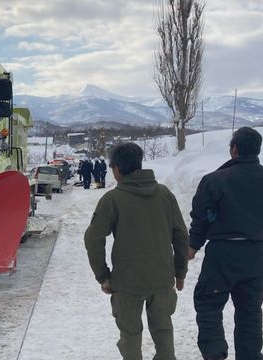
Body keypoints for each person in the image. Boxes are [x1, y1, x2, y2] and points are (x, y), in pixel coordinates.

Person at [84, 143, 189, 360]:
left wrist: (103, 276)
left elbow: (93, 238)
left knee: (130, 336)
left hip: (127, 283)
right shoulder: (164, 194)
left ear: (117, 169)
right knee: (163, 333)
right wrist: (180, 272)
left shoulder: (113, 199)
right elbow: (180, 234)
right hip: (161, 278)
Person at [188, 127, 263, 360]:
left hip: (222, 254)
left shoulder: (214, 180)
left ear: (234, 149)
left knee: (208, 303)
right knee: (250, 309)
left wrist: (193, 246)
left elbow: (201, 216)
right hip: (257, 254)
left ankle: (214, 354)